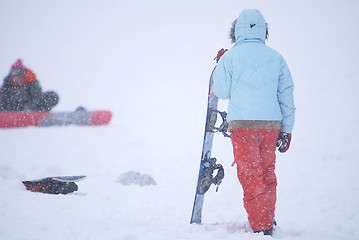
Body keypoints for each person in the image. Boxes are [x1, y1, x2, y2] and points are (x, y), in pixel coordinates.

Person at [212, 9, 296, 236]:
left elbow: (221, 91)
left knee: (251, 174)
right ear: (263, 31)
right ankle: (266, 216)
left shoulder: (230, 58)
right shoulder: (277, 58)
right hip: (271, 125)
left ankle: (262, 226)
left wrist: (221, 65)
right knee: (267, 172)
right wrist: (287, 130)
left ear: (236, 31)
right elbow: (286, 96)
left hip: (242, 124)